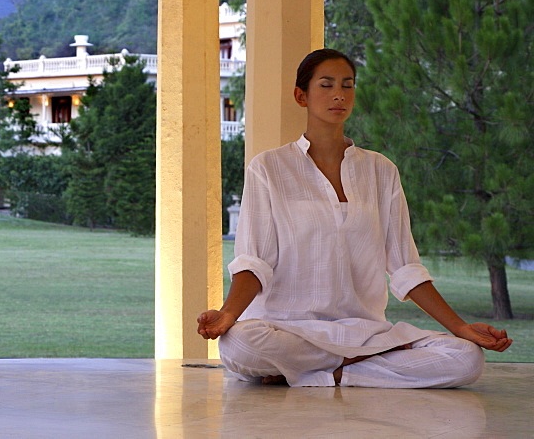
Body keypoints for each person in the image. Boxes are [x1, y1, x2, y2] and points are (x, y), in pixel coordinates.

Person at [197, 48, 512, 388]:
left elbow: (405, 268)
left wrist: (460, 328)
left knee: (465, 359)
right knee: (238, 344)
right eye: (326, 85)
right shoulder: (269, 168)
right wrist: (228, 314)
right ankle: (356, 368)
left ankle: (333, 371)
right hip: (287, 327)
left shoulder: (380, 170)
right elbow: (254, 262)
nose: (339, 95)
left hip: (365, 332)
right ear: (301, 96)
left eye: (348, 85)